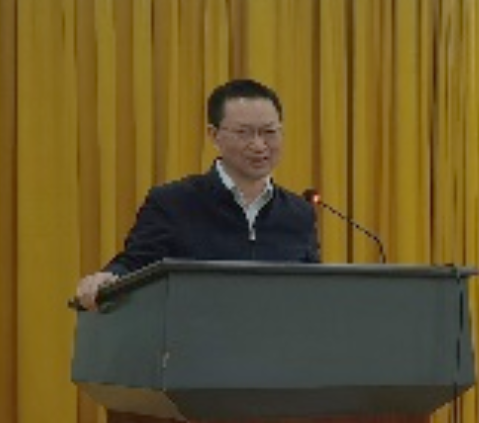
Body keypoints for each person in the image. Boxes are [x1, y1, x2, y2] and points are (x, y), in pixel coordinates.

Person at [74, 78, 320, 309]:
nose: (259, 145)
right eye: (244, 133)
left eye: (269, 132)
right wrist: (108, 278)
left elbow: (313, 288)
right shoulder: (173, 203)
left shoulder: (299, 213)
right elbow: (134, 265)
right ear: (214, 135)